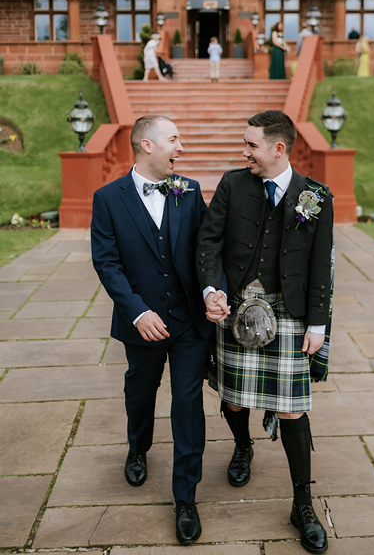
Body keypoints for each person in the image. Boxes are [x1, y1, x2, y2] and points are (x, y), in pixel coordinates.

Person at [196, 110, 334, 553]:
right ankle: (243, 447)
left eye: (251, 145)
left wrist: (318, 324)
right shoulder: (233, 184)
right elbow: (208, 241)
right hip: (237, 307)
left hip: (289, 314)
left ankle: (302, 504)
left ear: (278, 148)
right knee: (233, 397)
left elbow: (321, 265)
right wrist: (212, 289)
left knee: (293, 409)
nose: (244, 152)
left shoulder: (315, 196)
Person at [90, 115, 210, 544]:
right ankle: (137, 447)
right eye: (175, 139)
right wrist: (138, 313)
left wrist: (213, 290)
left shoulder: (190, 191)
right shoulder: (107, 198)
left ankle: (186, 497)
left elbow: (206, 248)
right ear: (146, 145)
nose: (182, 147)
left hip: (189, 321)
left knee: (188, 402)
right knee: (139, 391)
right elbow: (107, 262)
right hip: (140, 323)